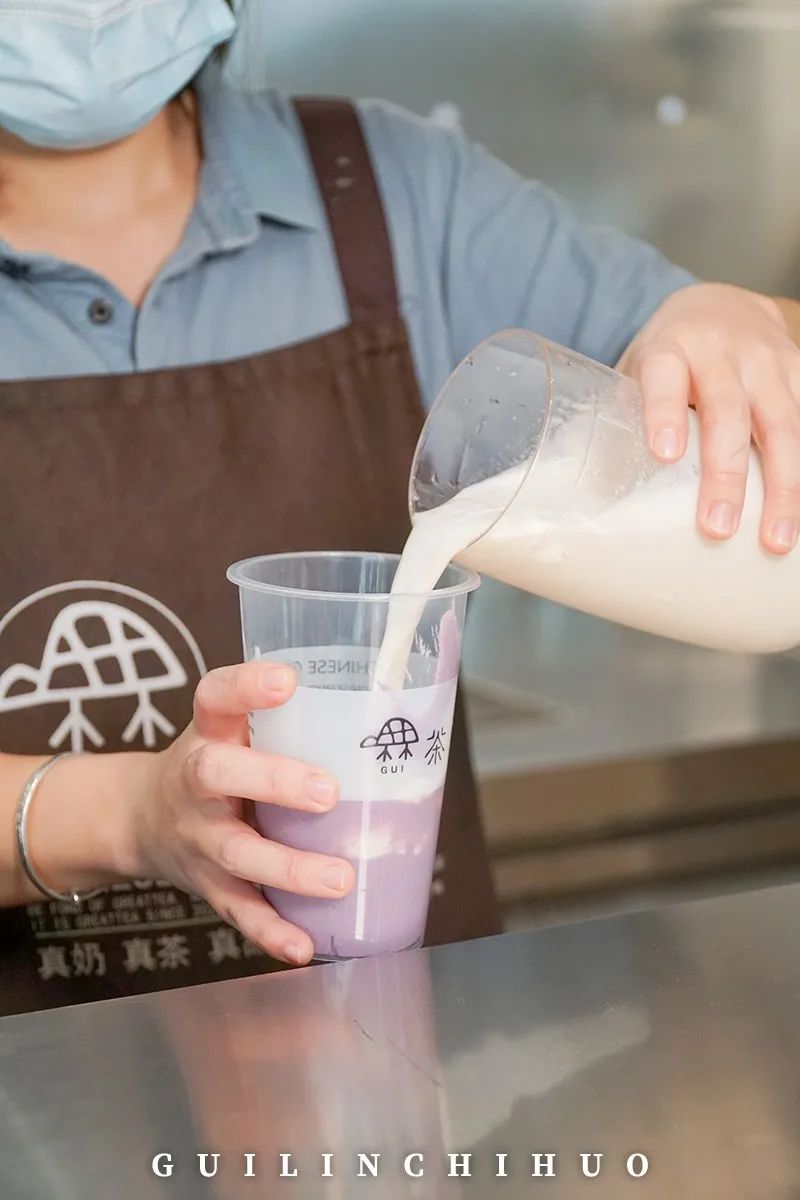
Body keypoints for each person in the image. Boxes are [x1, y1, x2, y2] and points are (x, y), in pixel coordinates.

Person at [1, 0, 800, 1016]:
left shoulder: (390, 191)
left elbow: (716, 360)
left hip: (405, 1059)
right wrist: (128, 814)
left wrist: (731, 315)